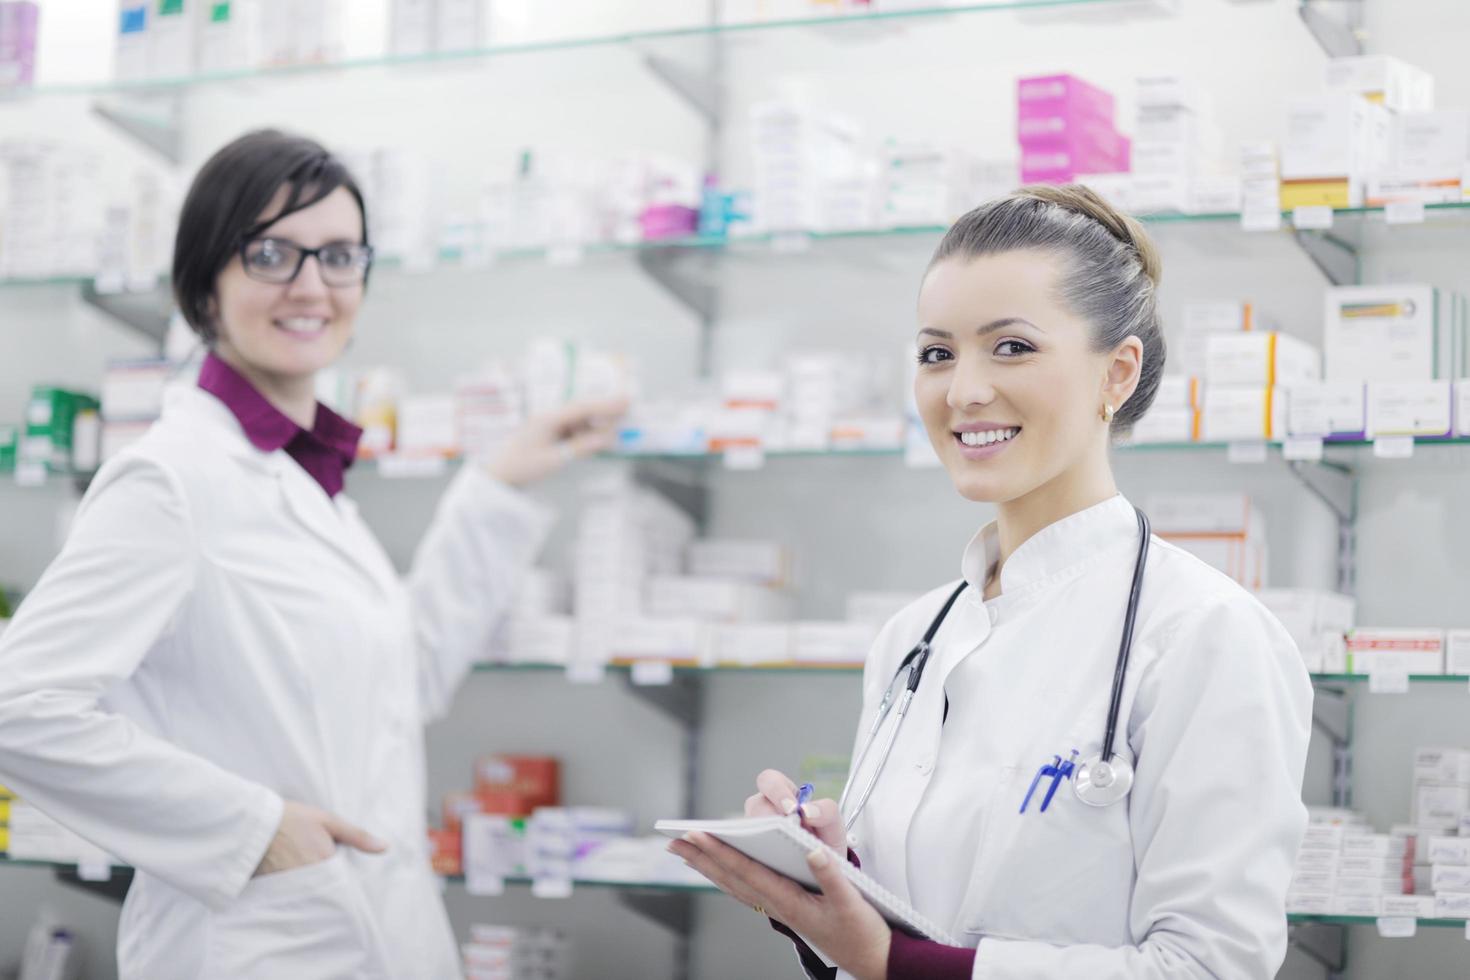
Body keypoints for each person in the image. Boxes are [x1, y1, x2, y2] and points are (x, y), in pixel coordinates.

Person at [0, 129, 624, 980]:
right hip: (256, 944)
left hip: (380, 932)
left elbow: (405, 681)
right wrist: (255, 831)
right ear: (205, 283)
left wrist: (501, 485)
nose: (311, 287)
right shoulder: (170, 482)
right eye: (271, 254)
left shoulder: (301, 482)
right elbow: (20, 706)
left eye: (339, 256)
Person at [671, 185, 1313, 979]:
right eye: (937, 353)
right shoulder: (913, 638)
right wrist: (832, 886)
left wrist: (896, 964)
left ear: (1117, 374)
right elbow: (909, 929)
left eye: (1010, 347)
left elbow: (1212, 968)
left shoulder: (1206, 634)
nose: (963, 390)